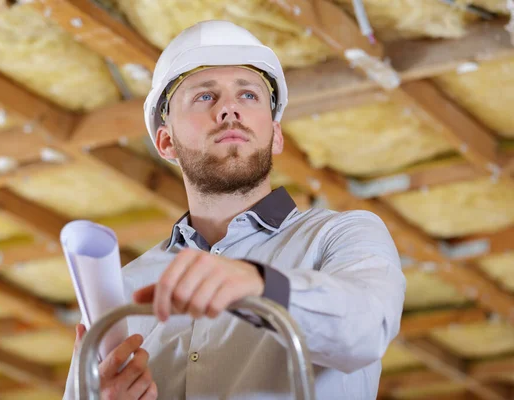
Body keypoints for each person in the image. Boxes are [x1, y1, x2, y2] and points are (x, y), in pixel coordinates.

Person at [63, 20, 406, 400]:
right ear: (166, 142)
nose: (229, 109)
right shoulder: (122, 291)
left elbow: (366, 328)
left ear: (276, 134)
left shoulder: (340, 236)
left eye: (248, 96)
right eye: (205, 97)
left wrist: (261, 285)